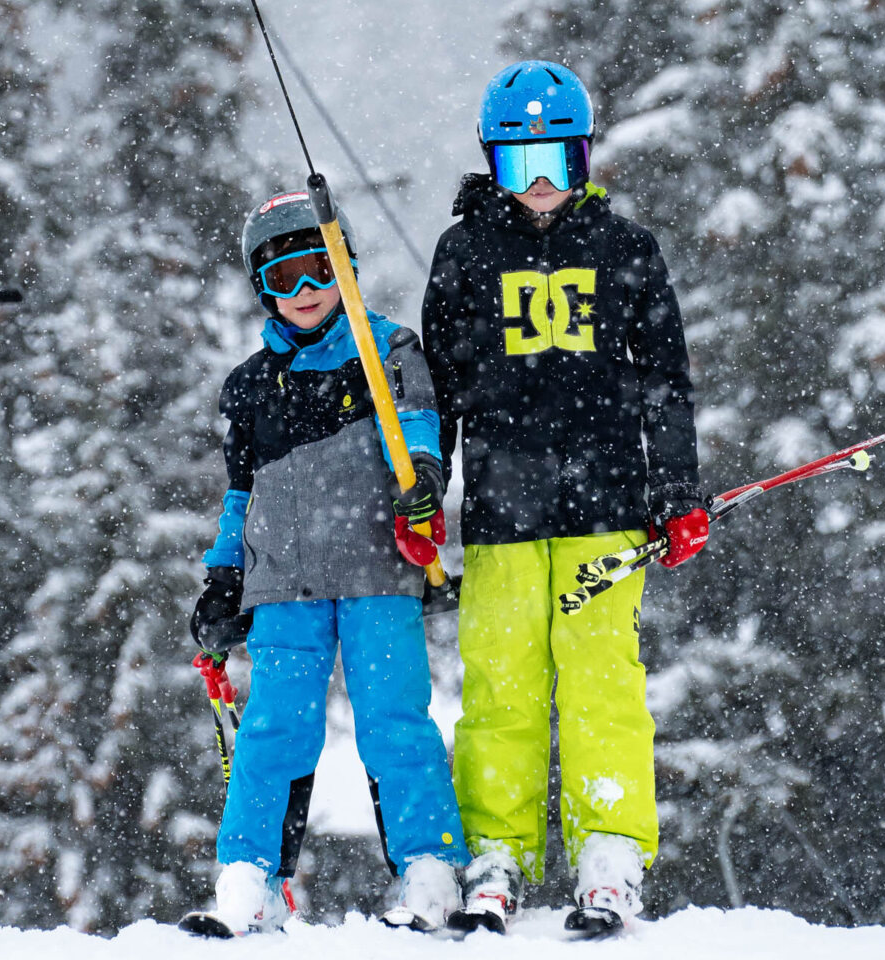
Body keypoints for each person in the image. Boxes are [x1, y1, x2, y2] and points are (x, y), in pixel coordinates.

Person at [421, 60, 711, 936]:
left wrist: (676, 488)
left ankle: (610, 849)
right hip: (505, 510)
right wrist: (427, 490)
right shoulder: (467, 252)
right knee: (502, 684)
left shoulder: (624, 248)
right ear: (491, 165)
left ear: (585, 159)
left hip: (608, 507)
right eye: (519, 167)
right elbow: (441, 390)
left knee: (601, 682)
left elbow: (665, 381)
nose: (540, 186)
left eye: (556, 163)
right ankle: (496, 848)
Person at [182, 189, 466, 937]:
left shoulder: (387, 350)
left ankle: (428, 869)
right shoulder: (249, 387)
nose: (305, 293)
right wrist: (223, 579)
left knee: (394, 722)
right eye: (283, 279)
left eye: (317, 271)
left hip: (378, 575)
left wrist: (424, 482)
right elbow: (240, 497)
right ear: (262, 291)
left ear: (344, 268)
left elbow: (419, 429)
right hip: (285, 586)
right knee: (274, 730)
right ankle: (250, 877)